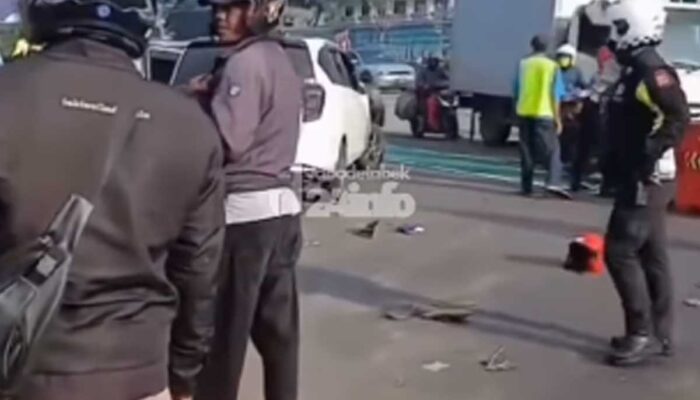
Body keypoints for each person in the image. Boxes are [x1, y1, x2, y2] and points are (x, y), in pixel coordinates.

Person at [0, 1, 226, 399]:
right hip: (137, 372)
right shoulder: (190, 126)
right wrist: (183, 375)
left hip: (18, 370)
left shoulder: (9, 96)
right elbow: (199, 273)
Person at [191, 1, 304, 399]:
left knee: (223, 342)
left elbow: (231, 141)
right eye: (218, 9)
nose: (220, 17)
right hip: (283, 212)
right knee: (279, 339)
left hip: (244, 218)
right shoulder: (282, 60)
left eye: (232, 8)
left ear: (257, 11)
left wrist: (197, 106)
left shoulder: (243, 63)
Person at [586, 0, 689, 366]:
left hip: (646, 178)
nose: (611, 38)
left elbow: (677, 116)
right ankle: (661, 333)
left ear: (632, 28)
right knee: (651, 252)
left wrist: (647, 152)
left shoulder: (651, 72)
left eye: (616, 29)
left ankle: (640, 332)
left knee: (620, 251)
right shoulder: (632, 69)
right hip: (641, 176)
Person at [514, 34, 571, 199]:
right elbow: (555, 94)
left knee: (526, 150)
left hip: (524, 111)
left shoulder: (523, 64)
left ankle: (526, 187)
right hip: (544, 112)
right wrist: (558, 119)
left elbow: (516, 89)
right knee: (553, 150)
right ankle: (553, 182)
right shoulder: (552, 66)